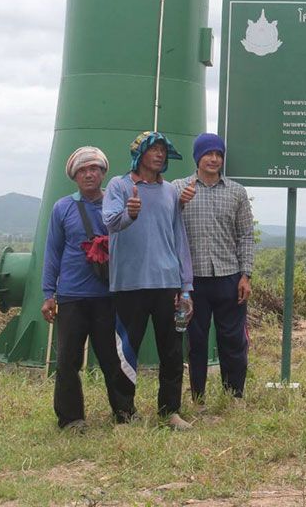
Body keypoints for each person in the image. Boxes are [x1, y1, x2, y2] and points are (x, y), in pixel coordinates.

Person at [102, 131, 194, 430]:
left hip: (166, 281)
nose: (159, 155)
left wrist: (186, 286)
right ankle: (124, 414)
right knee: (126, 349)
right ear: (139, 154)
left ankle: (170, 411)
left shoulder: (169, 192)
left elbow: (179, 238)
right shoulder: (119, 185)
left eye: (163, 151)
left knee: (171, 349)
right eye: (153, 149)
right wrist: (129, 213)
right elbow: (111, 222)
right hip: (129, 282)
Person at [41, 146, 135, 430]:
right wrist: (49, 294)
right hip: (71, 295)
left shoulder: (114, 204)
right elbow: (52, 252)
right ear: (74, 176)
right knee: (68, 360)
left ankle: (124, 412)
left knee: (111, 357)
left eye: (94, 168)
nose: (89, 174)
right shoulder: (63, 208)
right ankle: (71, 419)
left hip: (108, 295)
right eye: (83, 170)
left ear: (103, 172)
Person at [172, 133, 255, 404]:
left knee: (232, 340)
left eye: (218, 154)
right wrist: (180, 203)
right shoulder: (178, 189)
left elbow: (245, 235)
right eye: (208, 154)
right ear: (198, 157)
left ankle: (234, 396)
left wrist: (246, 275)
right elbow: (167, 229)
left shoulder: (236, 192)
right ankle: (198, 396)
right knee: (195, 342)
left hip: (229, 276)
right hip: (191, 280)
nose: (214, 159)